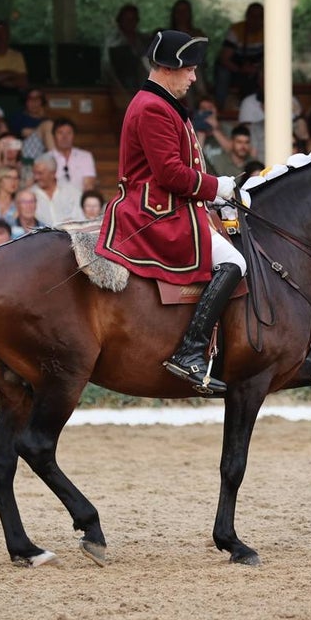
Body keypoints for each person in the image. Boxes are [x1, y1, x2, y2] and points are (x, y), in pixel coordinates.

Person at [96, 30, 243, 394]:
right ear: (167, 68)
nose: (194, 77)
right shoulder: (152, 107)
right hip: (156, 213)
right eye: (189, 69)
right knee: (234, 262)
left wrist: (212, 196)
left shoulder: (161, 102)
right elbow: (170, 174)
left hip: (174, 205)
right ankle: (190, 351)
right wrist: (217, 186)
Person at [103, 4, 152, 114]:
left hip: (143, 90)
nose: (130, 22)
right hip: (119, 90)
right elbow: (107, 67)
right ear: (120, 21)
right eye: (126, 19)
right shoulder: (112, 42)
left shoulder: (144, 40)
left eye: (133, 19)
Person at [214, 2, 264, 109]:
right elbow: (224, 59)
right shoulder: (236, 30)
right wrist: (241, 69)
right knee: (223, 73)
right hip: (234, 69)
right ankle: (220, 108)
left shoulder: (269, 32)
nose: (256, 20)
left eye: (259, 16)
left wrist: (257, 69)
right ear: (247, 16)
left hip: (255, 70)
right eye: (253, 16)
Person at [28, 153, 82, 226]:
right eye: (34, 173)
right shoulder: (30, 194)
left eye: (40, 173)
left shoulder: (72, 192)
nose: (36, 177)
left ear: (53, 173)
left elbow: (81, 217)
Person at [49, 118, 97, 192]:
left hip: (80, 197)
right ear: (53, 136)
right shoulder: (46, 158)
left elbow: (89, 185)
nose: (64, 137)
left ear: (74, 136)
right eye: (60, 133)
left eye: (69, 133)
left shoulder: (85, 156)